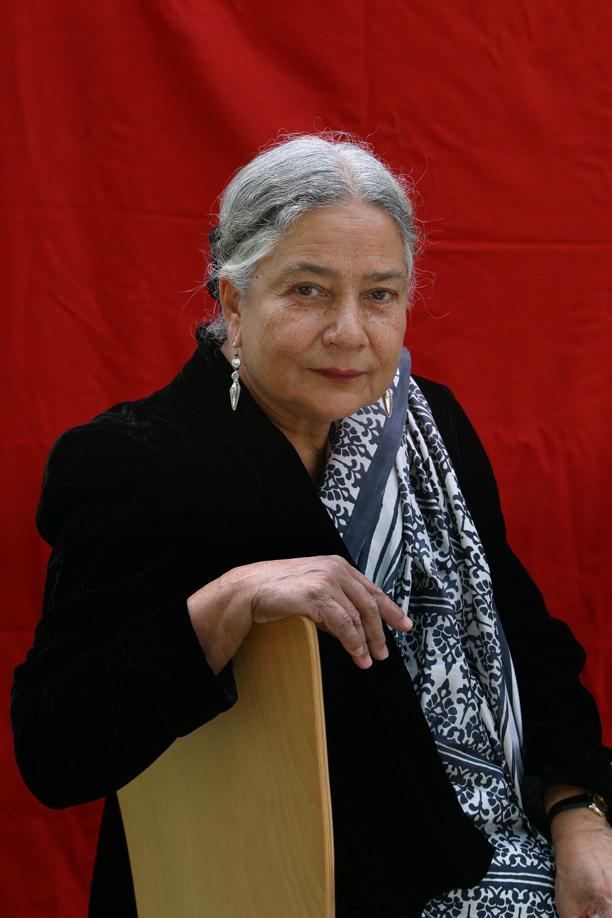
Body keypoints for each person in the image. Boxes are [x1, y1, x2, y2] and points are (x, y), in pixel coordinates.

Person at [11, 133, 612, 918]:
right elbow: (57, 746)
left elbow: (524, 636)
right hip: (258, 889)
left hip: (492, 856)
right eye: (307, 291)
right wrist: (228, 601)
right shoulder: (134, 462)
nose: (350, 333)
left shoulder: (432, 426)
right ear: (232, 301)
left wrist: (580, 811)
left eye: (380, 295)